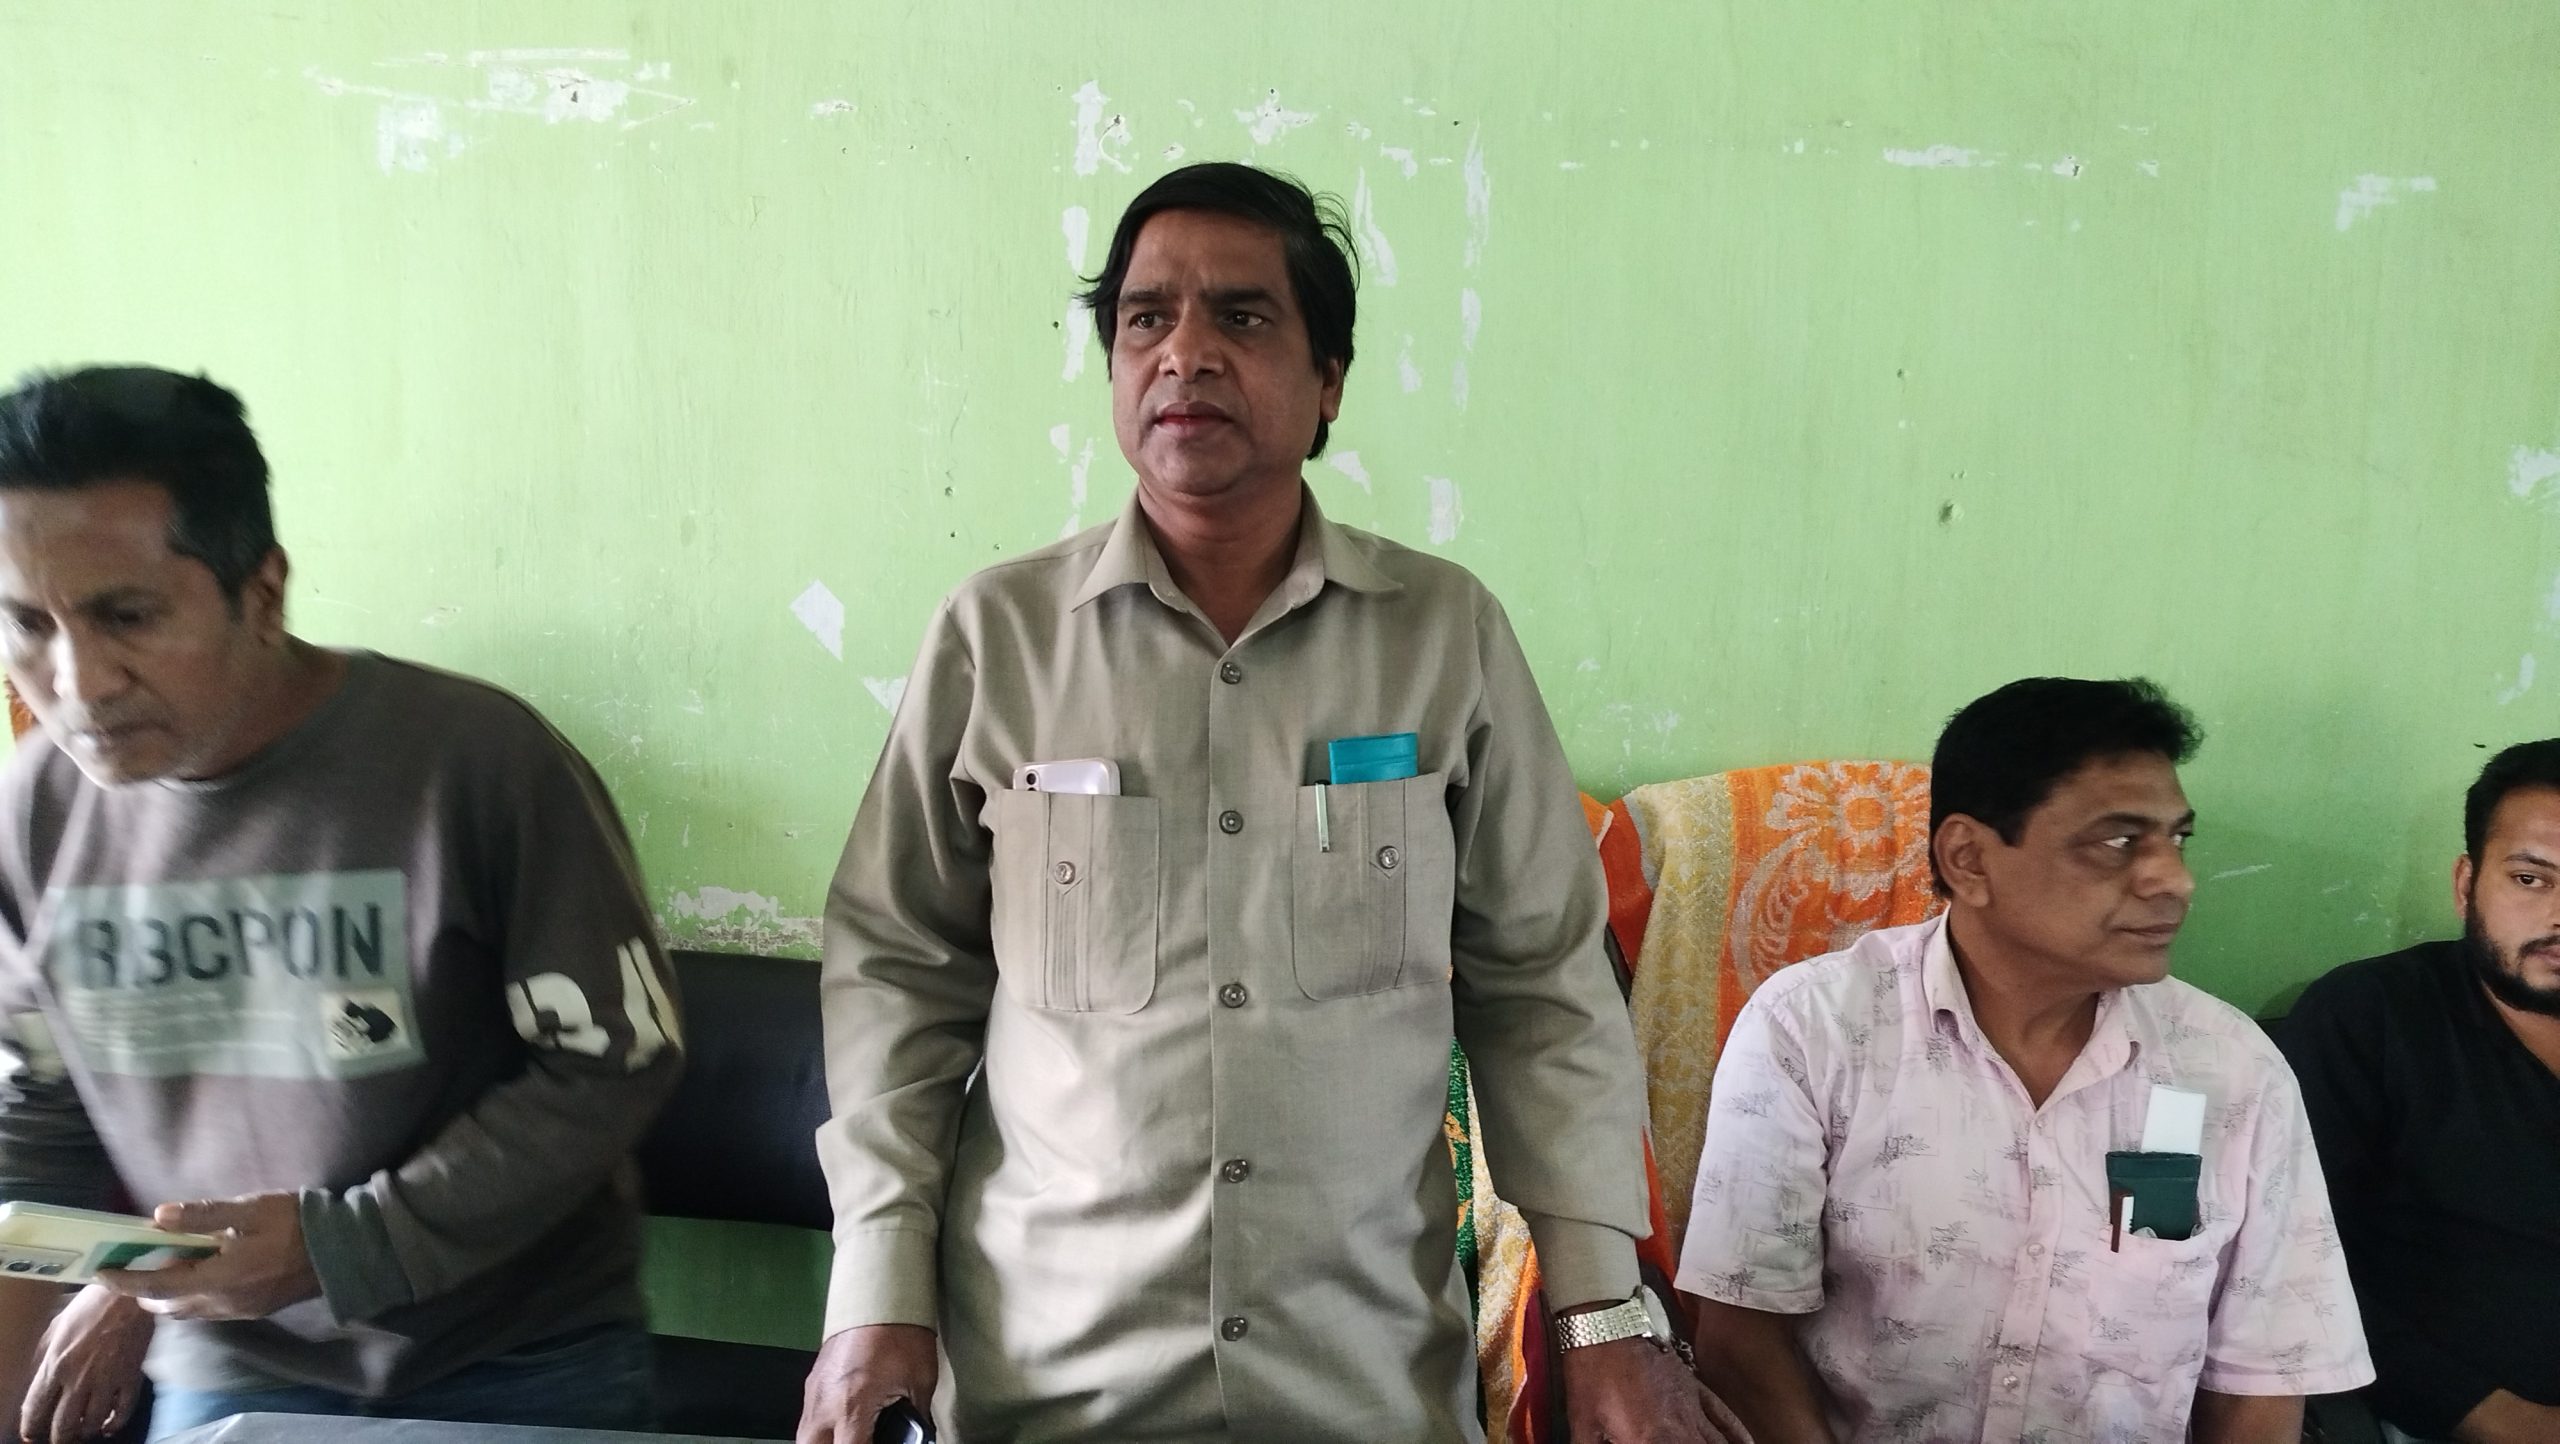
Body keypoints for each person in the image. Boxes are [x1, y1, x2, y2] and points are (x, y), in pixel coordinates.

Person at [800, 163, 1731, 1443]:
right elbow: (897, 974)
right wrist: (876, 1294)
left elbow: (1542, 987)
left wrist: (1601, 1316)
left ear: (1328, 378)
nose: (1184, 353)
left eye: (1240, 317)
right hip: (1045, 1384)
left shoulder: (1442, 637)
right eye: (1146, 318)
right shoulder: (996, 638)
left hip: (1360, 1382)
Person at [0, 366, 682, 1440]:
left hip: (512, 1356)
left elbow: (611, 1063)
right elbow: (38, 1113)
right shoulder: (34, 812)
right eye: (26, 623)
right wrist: (106, 1285)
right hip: (228, 1358)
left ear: (263, 592)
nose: (78, 682)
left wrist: (344, 1246)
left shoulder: (473, 763)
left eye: (127, 616)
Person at [1680, 676, 2372, 1443]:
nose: (2174, 879)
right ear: (1969, 859)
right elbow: (1742, 1336)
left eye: (2177, 839)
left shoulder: (2234, 1071)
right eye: (2118, 842)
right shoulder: (1814, 1029)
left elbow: (2262, 1384)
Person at [2277, 739, 2560, 1443]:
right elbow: (2291, 1263)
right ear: (2467, 883)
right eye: (2531, 879)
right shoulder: (2371, 1018)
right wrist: (2500, 1420)